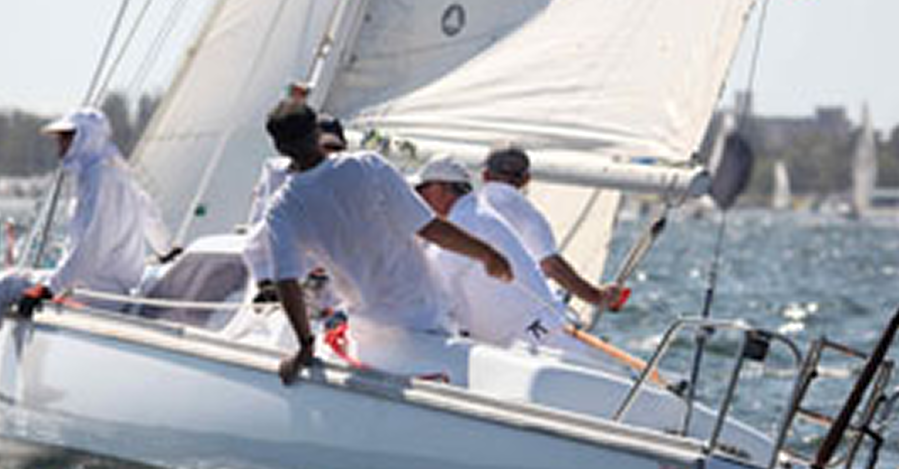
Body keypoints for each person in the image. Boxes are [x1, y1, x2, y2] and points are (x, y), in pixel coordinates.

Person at [0, 107, 170, 397]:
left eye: (66, 138)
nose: (59, 145)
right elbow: (151, 217)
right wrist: (166, 250)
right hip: (111, 287)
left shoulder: (98, 177)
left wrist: (49, 290)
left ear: (86, 138)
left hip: (95, 291)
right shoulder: (119, 172)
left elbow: (91, 250)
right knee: (12, 287)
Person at [248, 98, 513, 384]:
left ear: (280, 148)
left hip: (368, 331)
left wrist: (305, 346)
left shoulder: (283, 206)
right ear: (317, 133)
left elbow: (286, 281)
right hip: (423, 317)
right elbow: (430, 228)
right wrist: (487, 254)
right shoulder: (367, 165)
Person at [413, 156, 591, 356]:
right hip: (531, 340)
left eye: (421, 189)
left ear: (442, 187)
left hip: (539, 344)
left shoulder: (466, 222)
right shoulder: (472, 213)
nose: (417, 197)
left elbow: (429, 289)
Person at [479, 145, 626, 311]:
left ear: (485, 176)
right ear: (526, 179)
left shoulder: (466, 207)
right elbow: (551, 266)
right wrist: (597, 297)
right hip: (505, 311)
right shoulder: (528, 216)